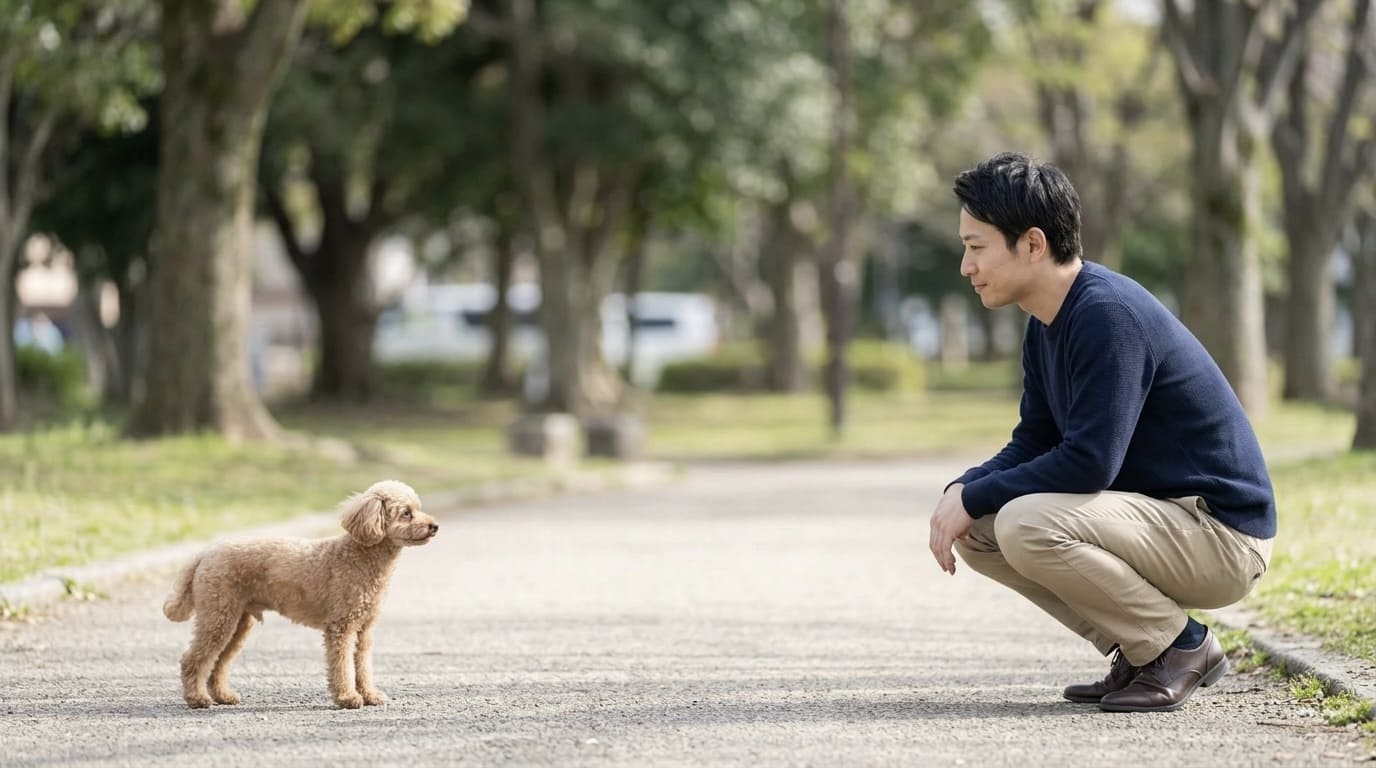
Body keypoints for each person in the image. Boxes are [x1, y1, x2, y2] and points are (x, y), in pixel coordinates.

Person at [928, 152, 1275, 713]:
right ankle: (1142, 651)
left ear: (1033, 244)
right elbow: (1034, 441)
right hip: (1162, 525)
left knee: (1022, 521)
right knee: (980, 530)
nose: (966, 266)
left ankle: (1181, 647)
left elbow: (1091, 463)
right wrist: (962, 491)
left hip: (1219, 535)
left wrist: (976, 495)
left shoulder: (1107, 315)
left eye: (976, 247)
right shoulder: (1047, 323)